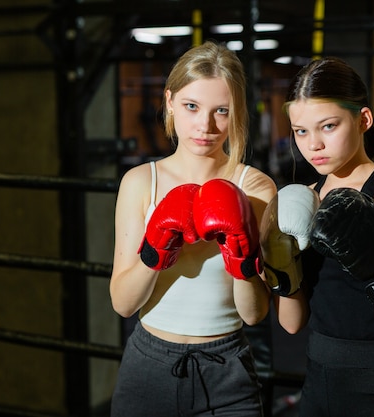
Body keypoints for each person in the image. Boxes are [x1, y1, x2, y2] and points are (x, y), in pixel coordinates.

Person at [261, 57, 374, 417]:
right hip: (319, 374)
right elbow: (292, 323)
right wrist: (278, 260)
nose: (312, 145)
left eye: (328, 126)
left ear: (363, 120)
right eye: (300, 131)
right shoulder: (305, 198)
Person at [109, 41, 277, 417]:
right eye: (191, 107)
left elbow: (254, 314)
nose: (206, 125)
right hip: (148, 365)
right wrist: (157, 248)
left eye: (222, 110)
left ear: (236, 114)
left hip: (227, 369)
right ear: (169, 102)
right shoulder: (141, 182)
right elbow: (123, 303)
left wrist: (242, 256)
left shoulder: (256, 187)